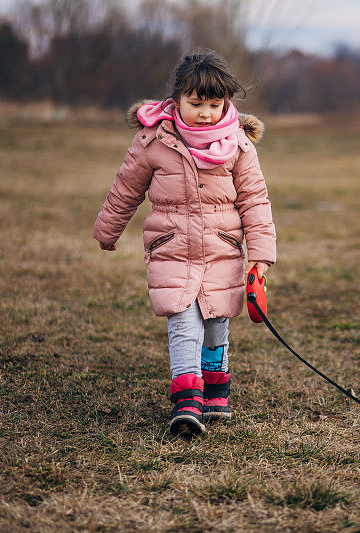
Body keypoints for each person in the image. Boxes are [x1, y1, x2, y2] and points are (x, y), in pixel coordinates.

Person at [93, 49, 276, 437]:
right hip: (171, 248)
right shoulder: (153, 140)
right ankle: (187, 399)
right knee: (183, 321)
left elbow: (255, 200)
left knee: (214, 325)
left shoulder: (238, 144)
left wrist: (260, 257)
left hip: (222, 248)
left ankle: (215, 389)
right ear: (176, 98)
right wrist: (108, 230)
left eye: (214, 104)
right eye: (196, 103)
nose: (206, 113)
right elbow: (126, 189)